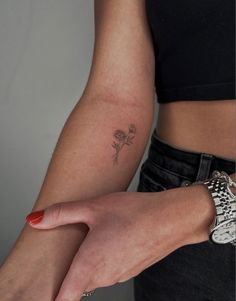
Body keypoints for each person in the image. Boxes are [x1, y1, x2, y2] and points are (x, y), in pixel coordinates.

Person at [0, 0, 235, 300]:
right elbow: (116, 99)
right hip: (170, 213)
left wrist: (199, 210)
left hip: (168, 220)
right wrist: (29, 265)